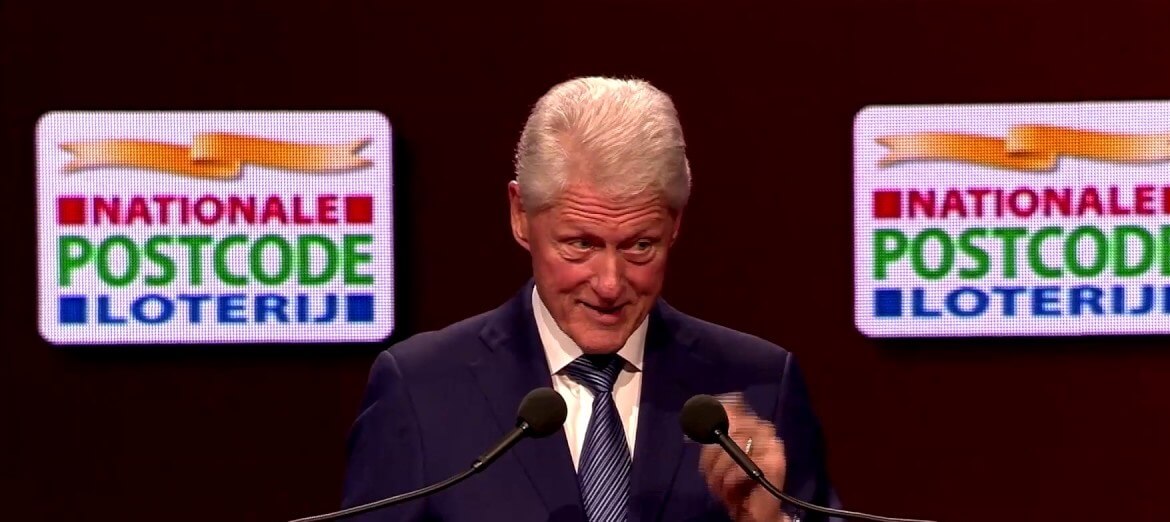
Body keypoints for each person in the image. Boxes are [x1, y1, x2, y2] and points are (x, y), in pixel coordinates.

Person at [341, 76, 840, 521]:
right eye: (580, 244)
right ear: (520, 215)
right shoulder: (422, 390)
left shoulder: (758, 383)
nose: (609, 283)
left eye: (640, 246)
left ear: (675, 226)